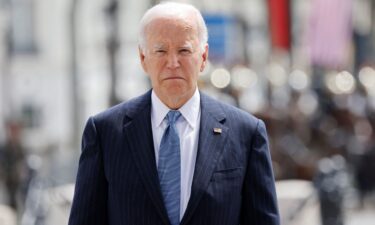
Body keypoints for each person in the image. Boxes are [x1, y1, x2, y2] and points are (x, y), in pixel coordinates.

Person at [68, 2, 279, 225]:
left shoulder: (246, 133)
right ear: (143, 58)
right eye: (160, 51)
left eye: (184, 50)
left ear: (204, 57)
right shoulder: (105, 133)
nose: (173, 63)